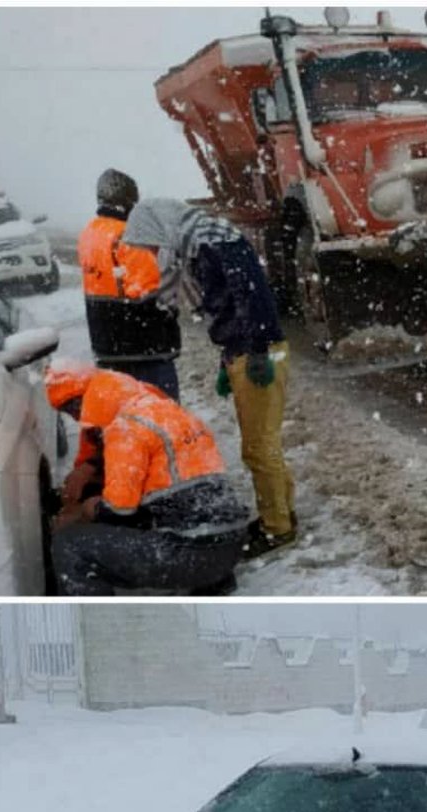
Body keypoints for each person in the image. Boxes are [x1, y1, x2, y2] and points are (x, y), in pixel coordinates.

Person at [122, 197, 296, 559]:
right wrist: (227, 357)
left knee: (259, 448)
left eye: (153, 242)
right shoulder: (199, 244)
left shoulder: (215, 241)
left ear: (161, 226)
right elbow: (227, 307)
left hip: (258, 353)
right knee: (264, 445)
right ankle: (281, 515)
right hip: (244, 351)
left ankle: (276, 529)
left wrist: (259, 349)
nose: (155, 251)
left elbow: (251, 295)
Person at [44, 364, 249, 596]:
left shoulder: (124, 428)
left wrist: (82, 512)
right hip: (231, 547)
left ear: (85, 403)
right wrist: (91, 468)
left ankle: (96, 619)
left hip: (193, 555)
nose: (77, 419)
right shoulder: (165, 411)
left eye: (72, 411)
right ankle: (214, 581)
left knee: (70, 545)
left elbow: (118, 511)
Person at [77, 169, 181, 399]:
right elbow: (150, 294)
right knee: (163, 418)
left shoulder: (89, 234)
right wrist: (169, 319)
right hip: (144, 350)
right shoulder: (130, 236)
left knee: (128, 419)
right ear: (128, 200)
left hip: (107, 348)